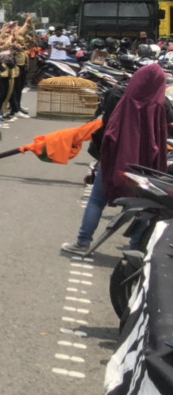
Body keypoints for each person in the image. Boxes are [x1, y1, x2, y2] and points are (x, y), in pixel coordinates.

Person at [62, 63, 169, 255]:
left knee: (96, 201)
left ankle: (83, 242)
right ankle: (136, 247)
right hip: (146, 166)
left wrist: (102, 159)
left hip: (117, 160)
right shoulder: (161, 107)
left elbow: (109, 134)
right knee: (147, 206)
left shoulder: (122, 100)